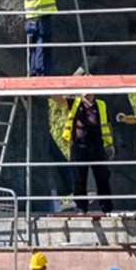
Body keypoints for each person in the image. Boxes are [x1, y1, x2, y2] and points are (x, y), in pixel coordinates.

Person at [50, 74, 113, 212]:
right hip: (79, 145)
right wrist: (52, 84)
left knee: (102, 177)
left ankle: (106, 208)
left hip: (97, 145)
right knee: (78, 178)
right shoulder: (74, 102)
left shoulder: (101, 105)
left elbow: (106, 125)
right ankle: (81, 207)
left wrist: (110, 144)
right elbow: (57, 99)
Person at [19, 0, 71, 74]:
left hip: (33, 20)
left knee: (34, 50)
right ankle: (41, 76)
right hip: (40, 20)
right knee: (42, 49)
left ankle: (34, 75)